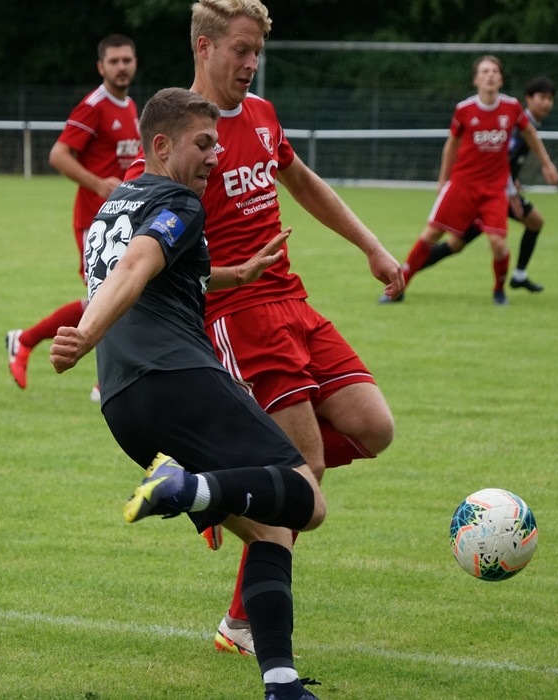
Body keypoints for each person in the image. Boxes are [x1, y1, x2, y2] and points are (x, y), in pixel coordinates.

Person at [126, 0, 404, 657]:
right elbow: (140, 245)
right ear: (204, 47)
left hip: (293, 302)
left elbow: (302, 181)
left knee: (373, 427)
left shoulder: (262, 115)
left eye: (257, 52)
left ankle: (225, 485)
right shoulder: (179, 139)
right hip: (237, 315)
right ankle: (242, 622)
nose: (252, 63)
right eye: (240, 50)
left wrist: (371, 246)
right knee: (306, 469)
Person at [50, 86, 327, 700]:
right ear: (161, 145)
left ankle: (281, 683)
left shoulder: (115, 204)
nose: (214, 157)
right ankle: (187, 487)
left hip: (123, 405)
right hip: (175, 377)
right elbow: (137, 267)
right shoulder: (179, 201)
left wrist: (239, 273)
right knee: (307, 497)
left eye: (217, 146)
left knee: (269, 530)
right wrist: (86, 334)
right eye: (203, 144)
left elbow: (162, 272)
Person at [6, 34, 141, 401]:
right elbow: (59, 154)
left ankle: (26, 340)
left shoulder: (130, 106)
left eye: (127, 60)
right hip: (95, 223)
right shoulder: (94, 106)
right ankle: (105, 379)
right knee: (110, 297)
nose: (121, 67)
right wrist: (98, 184)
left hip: (124, 220)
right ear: (101, 67)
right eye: (114, 61)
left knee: (120, 295)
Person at [380, 57, 558, 305]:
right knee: (432, 234)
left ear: (501, 79)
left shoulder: (512, 107)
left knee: (497, 243)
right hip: (463, 185)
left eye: (495, 71)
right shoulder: (464, 109)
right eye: (485, 71)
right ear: (476, 80)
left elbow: (529, 131)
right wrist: (443, 179)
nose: (490, 75)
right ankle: (400, 287)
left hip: (494, 189)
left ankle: (499, 292)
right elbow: (452, 144)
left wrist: (546, 162)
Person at [415, 76, 558, 293]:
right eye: (542, 98)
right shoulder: (518, 127)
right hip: (492, 193)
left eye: (550, 99)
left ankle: (519, 276)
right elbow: (500, 158)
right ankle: (402, 272)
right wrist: (511, 191)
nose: (547, 103)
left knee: (533, 222)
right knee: (455, 244)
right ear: (529, 99)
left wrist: (513, 179)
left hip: (497, 190)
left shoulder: (522, 125)